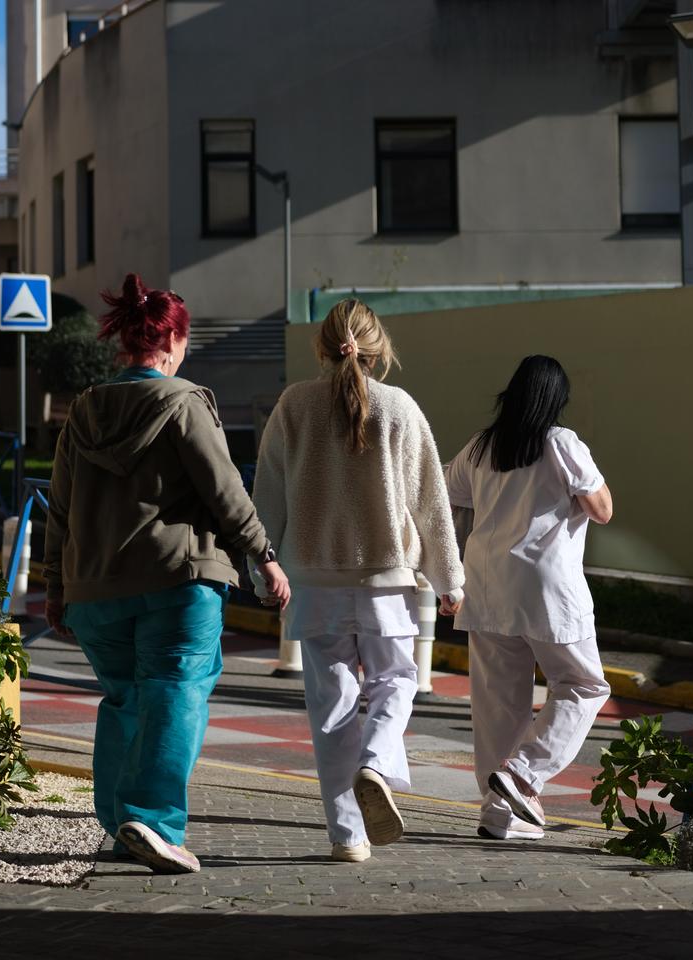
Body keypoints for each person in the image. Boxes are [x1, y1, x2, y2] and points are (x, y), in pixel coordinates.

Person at [43, 273, 290, 875]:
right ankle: (152, 822)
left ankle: (121, 824)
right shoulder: (184, 403)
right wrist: (263, 555)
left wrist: (54, 586)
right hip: (177, 582)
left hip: (94, 590)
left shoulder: (84, 410)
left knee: (125, 699)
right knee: (175, 693)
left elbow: (60, 508)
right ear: (174, 341)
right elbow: (225, 491)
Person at [252, 298, 464, 863]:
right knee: (396, 680)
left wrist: (261, 566)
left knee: (332, 705)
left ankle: (347, 836)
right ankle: (376, 761)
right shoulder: (400, 407)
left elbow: (267, 494)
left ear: (322, 347)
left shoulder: (293, 405)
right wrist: (449, 579)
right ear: (378, 348)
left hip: (313, 579)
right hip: (386, 579)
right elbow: (430, 502)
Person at [444, 355, 613, 841]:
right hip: (546, 588)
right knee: (582, 685)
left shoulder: (481, 446)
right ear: (556, 400)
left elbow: (444, 493)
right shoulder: (561, 442)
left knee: (498, 703)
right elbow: (602, 509)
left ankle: (500, 811)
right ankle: (522, 775)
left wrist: (444, 572)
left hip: (485, 583)